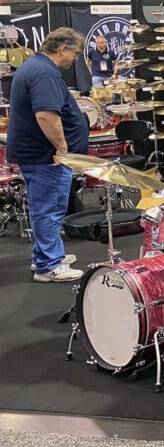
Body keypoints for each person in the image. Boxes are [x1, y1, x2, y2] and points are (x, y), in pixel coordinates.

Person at [8, 28, 88, 282]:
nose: (75, 59)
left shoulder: (35, 66)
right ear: (62, 49)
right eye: (75, 53)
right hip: (45, 156)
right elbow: (45, 115)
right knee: (49, 210)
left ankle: (46, 255)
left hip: (38, 154)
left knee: (45, 208)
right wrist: (62, 149)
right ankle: (48, 265)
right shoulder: (44, 72)